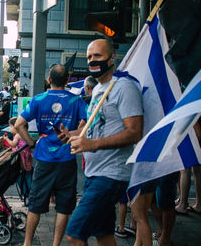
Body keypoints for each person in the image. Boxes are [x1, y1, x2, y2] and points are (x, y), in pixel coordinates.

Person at [64, 39, 143, 246]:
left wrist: (93, 144)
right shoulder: (99, 88)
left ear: (112, 58)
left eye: (97, 56)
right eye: (90, 57)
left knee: (74, 234)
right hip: (93, 172)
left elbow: (135, 132)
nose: (92, 61)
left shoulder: (124, 88)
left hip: (111, 175)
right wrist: (72, 134)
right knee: (104, 234)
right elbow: (94, 127)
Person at [14, 64, 87, 246]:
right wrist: (74, 133)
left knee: (35, 204)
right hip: (67, 159)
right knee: (63, 207)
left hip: (44, 158)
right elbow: (88, 124)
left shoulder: (39, 99)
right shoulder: (76, 101)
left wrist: (30, 144)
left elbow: (18, 124)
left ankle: (28, 243)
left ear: (49, 80)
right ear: (68, 80)